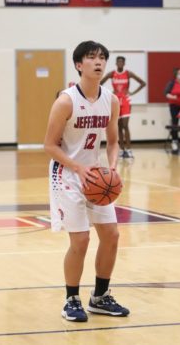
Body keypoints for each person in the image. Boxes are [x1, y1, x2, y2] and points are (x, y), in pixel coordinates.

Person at [44, 41, 129, 322]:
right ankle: (71, 299)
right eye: (92, 57)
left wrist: (113, 168)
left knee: (112, 236)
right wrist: (77, 167)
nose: (99, 62)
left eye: (102, 57)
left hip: (95, 174)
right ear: (79, 65)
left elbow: (113, 142)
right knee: (80, 239)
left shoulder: (111, 99)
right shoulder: (66, 101)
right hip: (66, 173)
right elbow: (49, 145)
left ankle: (100, 297)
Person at [101, 56, 146, 158]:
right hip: (116, 101)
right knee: (119, 126)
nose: (120, 63)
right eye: (118, 62)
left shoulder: (128, 73)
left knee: (125, 125)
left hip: (126, 101)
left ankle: (129, 149)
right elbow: (99, 83)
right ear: (116, 63)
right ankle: (121, 149)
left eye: (122, 62)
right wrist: (108, 93)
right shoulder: (112, 74)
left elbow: (143, 83)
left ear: (124, 63)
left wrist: (132, 92)